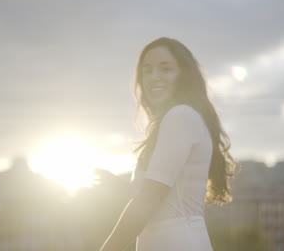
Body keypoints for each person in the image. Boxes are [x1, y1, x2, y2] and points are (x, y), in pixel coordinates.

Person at [99, 37, 236, 251]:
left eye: (165, 69)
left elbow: (148, 201)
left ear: (184, 74)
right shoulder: (183, 117)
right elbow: (162, 194)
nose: (155, 77)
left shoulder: (180, 116)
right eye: (147, 70)